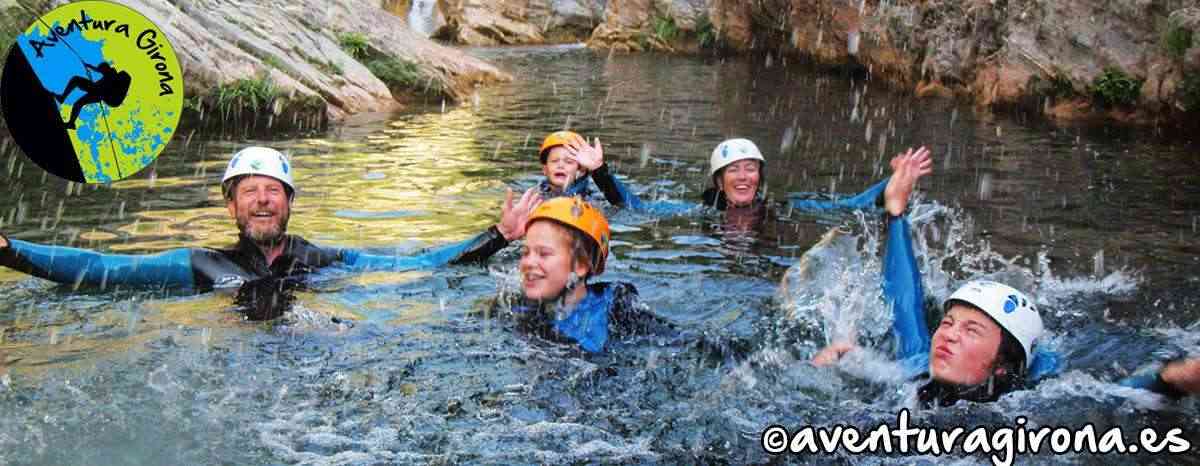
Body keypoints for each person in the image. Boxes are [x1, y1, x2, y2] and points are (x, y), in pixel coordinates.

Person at [809, 155, 1200, 404]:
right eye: (947, 324)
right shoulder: (913, 365)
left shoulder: (1039, 399)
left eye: (971, 331)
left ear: (1002, 365)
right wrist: (842, 363)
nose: (946, 335)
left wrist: (1175, 377)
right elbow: (904, 300)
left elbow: (1118, 390)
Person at [0, 146, 542, 316]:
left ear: (288, 202)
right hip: (234, 366)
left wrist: (495, 234)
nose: (262, 199)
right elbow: (103, 272)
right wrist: (11, 252)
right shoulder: (200, 266)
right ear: (232, 206)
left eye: (273, 190)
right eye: (249, 191)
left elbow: (416, 266)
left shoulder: (322, 260)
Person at [499, 196, 666, 353]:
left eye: (543, 254)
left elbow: (678, 343)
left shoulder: (616, 306)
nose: (527, 263)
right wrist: (501, 235)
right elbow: (472, 263)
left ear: (581, 265)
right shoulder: (515, 307)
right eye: (526, 252)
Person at [534, 130, 642, 209]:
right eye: (554, 161)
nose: (560, 165)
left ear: (581, 170)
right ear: (545, 169)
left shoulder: (594, 200)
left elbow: (633, 207)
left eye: (569, 162)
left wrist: (598, 169)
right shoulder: (534, 197)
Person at [56, 62, 132, 130]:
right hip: (99, 94)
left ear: (105, 69)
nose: (101, 73)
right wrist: (90, 67)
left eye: (102, 71)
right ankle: (71, 122)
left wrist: (91, 68)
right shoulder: (109, 75)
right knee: (78, 102)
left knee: (76, 81)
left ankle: (63, 100)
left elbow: (101, 74)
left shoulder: (111, 74)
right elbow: (101, 74)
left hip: (99, 93)